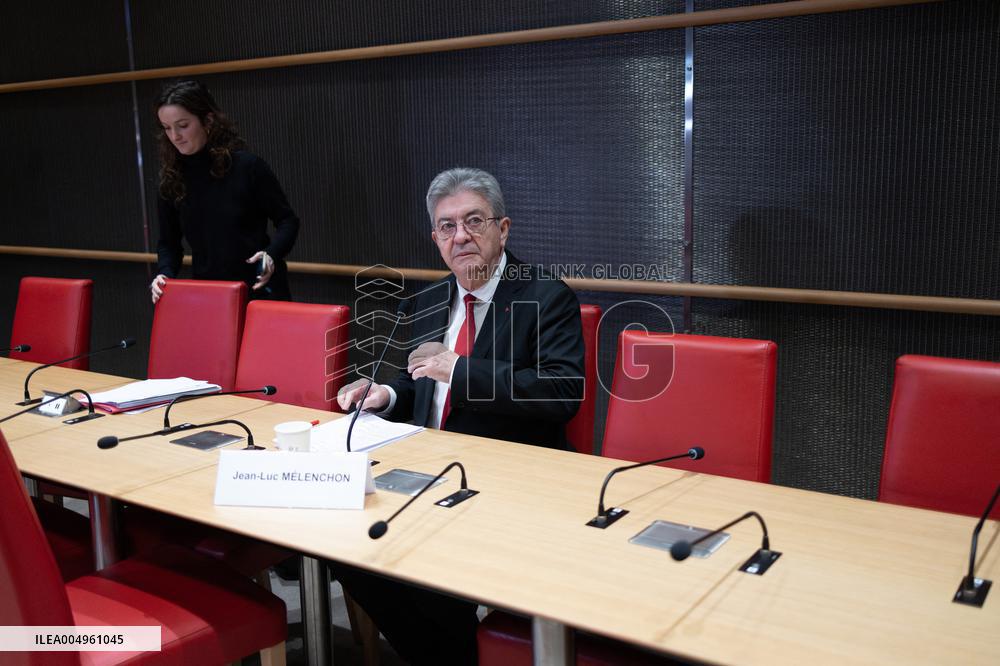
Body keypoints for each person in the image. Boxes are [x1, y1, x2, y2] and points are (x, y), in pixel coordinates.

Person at [335, 168, 585, 664]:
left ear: (503, 229)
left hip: (509, 477)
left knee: (428, 566)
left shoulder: (545, 296)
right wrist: (385, 393)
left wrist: (462, 371)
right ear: (435, 238)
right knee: (346, 544)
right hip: (427, 468)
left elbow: (561, 392)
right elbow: (422, 384)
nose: (461, 236)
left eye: (474, 221)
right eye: (447, 226)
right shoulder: (428, 299)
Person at [150, 80, 299, 303]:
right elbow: (169, 244)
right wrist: (164, 274)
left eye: (183, 125)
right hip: (211, 295)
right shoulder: (172, 179)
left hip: (260, 289)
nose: (175, 136)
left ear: (208, 121)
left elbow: (288, 220)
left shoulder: (247, 167)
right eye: (167, 128)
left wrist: (272, 254)